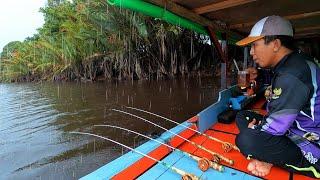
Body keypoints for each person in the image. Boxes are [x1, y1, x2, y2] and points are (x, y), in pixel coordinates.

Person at [235, 15, 320, 178]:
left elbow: (275, 127)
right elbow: (277, 80)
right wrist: (259, 76)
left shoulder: (292, 74)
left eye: (254, 45)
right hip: (293, 127)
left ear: (275, 44)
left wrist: (257, 131)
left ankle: (301, 164)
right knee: (242, 116)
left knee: (246, 140)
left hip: (311, 142)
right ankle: (268, 155)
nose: (252, 52)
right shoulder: (296, 62)